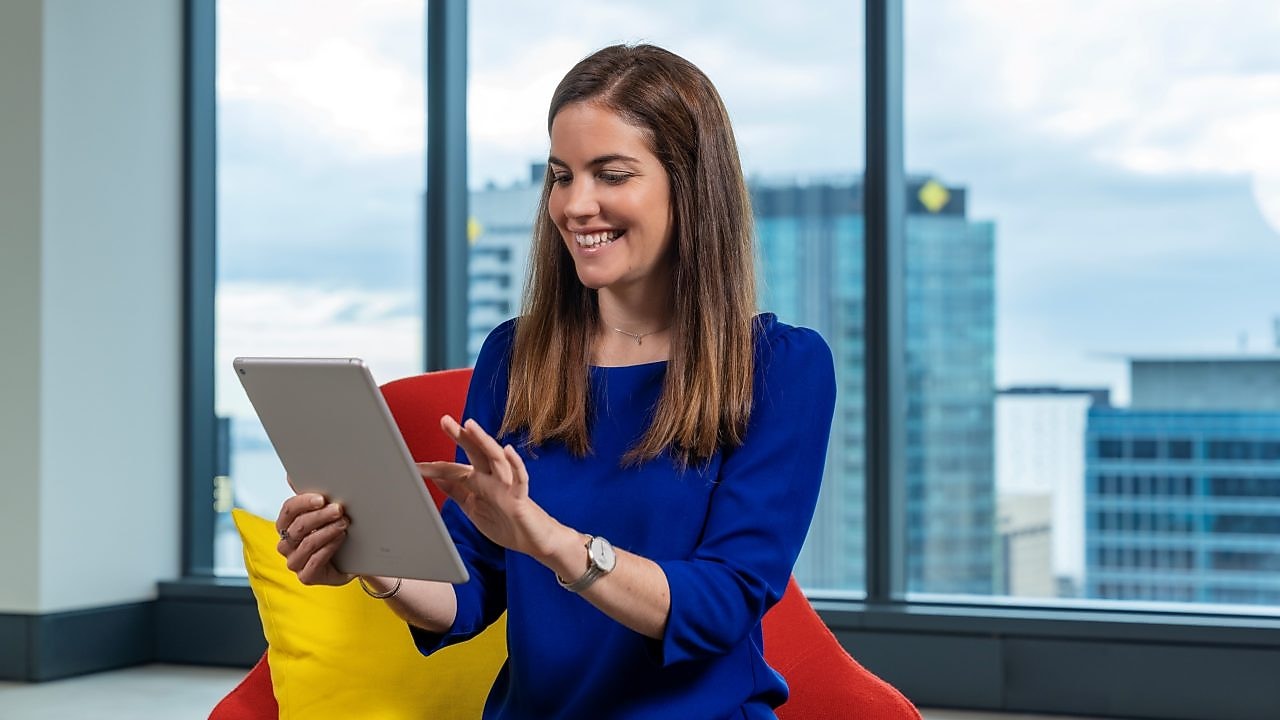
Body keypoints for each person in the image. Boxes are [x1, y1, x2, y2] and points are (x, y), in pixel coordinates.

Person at [274, 43, 836, 719]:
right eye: (561, 176)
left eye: (612, 174)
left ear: (689, 186)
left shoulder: (783, 367)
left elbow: (722, 603)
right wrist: (374, 560)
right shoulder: (515, 356)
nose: (576, 205)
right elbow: (470, 586)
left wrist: (548, 539)